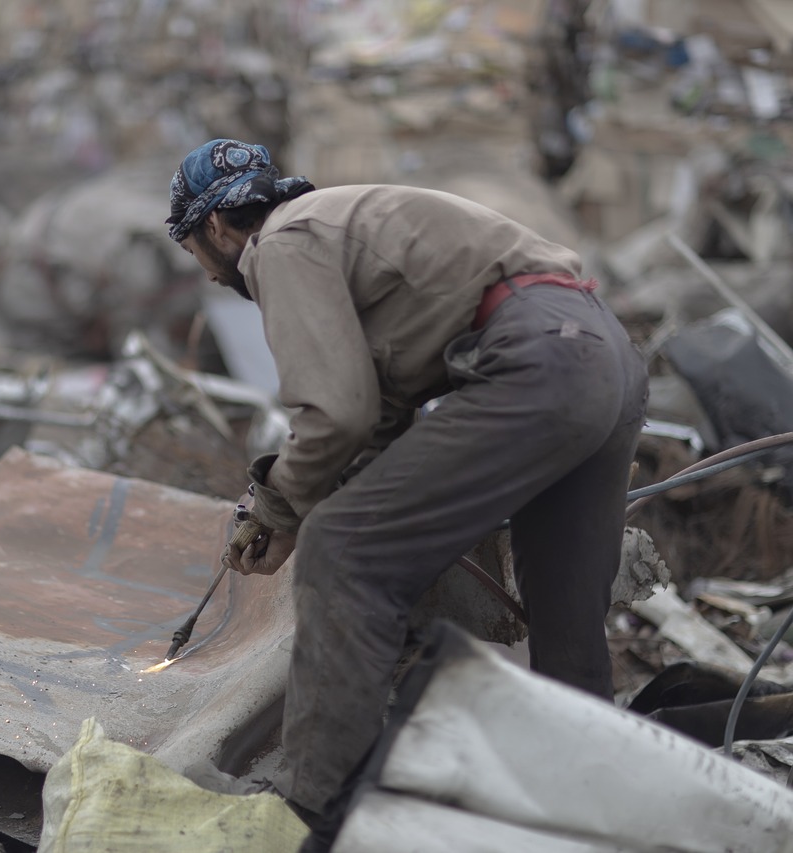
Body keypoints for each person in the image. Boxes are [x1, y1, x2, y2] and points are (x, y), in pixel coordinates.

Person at [165, 139, 648, 828]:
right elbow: (380, 416)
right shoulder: (337, 226)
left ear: (214, 228)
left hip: (536, 362)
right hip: (604, 357)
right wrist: (291, 504)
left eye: (194, 253)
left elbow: (338, 414)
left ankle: (308, 806)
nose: (210, 275)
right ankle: (585, 811)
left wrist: (282, 505)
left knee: (344, 548)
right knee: (565, 617)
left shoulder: (281, 243)